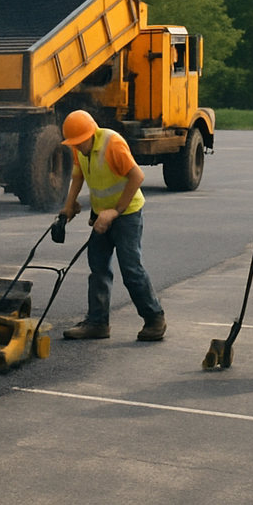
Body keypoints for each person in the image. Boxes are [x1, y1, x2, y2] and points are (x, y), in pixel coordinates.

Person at [58, 110, 166, 342]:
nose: (76, 147)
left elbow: (137, 176)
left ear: (91, 133)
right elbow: (78, 176)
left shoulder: (112, 144)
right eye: (73, 143)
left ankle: (154, 318)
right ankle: (97, 323)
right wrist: (69, 207)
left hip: (127, 213)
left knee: (131, 269)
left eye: (79, 142)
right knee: (98, 267)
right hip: (102, 214)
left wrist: (114, 212)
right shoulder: (80, 149)